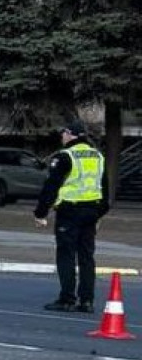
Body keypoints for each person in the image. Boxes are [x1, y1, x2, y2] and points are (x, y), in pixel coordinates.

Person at [34, 119, 110, 313]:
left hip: (69, 212)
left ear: (70, 135)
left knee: (66, 255)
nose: (62, 136)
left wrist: (41, 213)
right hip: (91, 211)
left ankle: (67, 299)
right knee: (86, 257)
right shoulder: (97, 156)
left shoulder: (65, 156)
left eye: (63, 133)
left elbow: (51, 186)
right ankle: (87, 301)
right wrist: (99, 213)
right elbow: (105, 188)